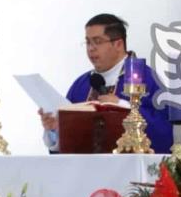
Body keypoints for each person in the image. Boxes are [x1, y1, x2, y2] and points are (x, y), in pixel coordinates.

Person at [39, 13, 173, 153]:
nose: (91, 48)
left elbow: (165, 131)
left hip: (128, 172)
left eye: (97, 41)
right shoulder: (81, 85)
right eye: (88, 42)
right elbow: (71, 146)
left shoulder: (145, 78)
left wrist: (123, 107)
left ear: (118, 44)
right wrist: (55, 131)